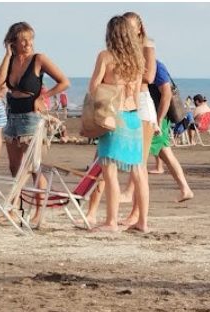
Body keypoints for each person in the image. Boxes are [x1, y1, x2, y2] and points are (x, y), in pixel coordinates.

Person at [0, 21, 69, 226]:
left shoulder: (38, 59)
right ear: (13, 43)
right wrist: (7, 55)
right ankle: (15, 210)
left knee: (34, 167)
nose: (28, 44)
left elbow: (64, 82)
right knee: (14, 167)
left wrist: (44, 97)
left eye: (31, 39)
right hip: (12, 116)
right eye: (23, 40)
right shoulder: (11, 60)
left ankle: (38, 213)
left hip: (31, 117)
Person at [87, 15, 148, 233]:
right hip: (134, 118)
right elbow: (138, 92)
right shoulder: (138, 60)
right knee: (138, 171)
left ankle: (111, 221)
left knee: (109, 171)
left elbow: (93, 87)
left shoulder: (106, 57)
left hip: (114, 117)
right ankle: (143, 222)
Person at [147, 59, 194, 202]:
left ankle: (130, 192)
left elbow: (166, 94)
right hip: (150, 117)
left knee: (144, 154)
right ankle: (185, 189)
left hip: (156, 118)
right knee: (164, 153)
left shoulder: (156, 66)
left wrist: (159, 120)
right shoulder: (144, 64)